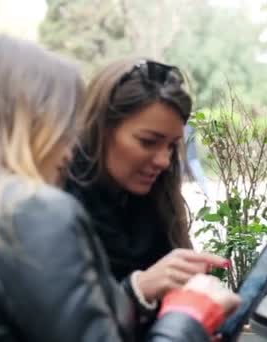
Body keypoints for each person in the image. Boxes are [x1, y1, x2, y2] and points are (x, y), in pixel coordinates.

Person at [0, 34, 240, 342]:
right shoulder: (38, 210)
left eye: (172, 146)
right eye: (65, 126)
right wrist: (189, 318)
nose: (70, 148)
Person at [64, 58, 229, 336]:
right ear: (101, 129)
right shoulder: (55, 208)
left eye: (171, 146)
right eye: (148, 142)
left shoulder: (157, 203)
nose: (164, 160)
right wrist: (139, 289)